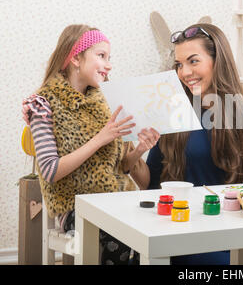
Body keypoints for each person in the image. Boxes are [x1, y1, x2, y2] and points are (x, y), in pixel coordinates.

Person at [22, 24, 160, 265]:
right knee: (122, 240)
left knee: (156, 227)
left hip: (117, 200)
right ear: (76, 57)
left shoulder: (107, 102)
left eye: (109, 57)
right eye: (101, 56)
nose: (109, 65)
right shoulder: (42, 104)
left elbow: (123, 168)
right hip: (76, 207)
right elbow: (50, 171)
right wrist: (100, 138)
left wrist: (140, 148)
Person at [145, 23, 243, 264]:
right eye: (179, 65)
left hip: (233, 234)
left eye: (193, 61)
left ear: (218, 61)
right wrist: (134, 151)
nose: (184, 72)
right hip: (180, 231)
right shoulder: (173, 112)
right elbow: (153, 182)